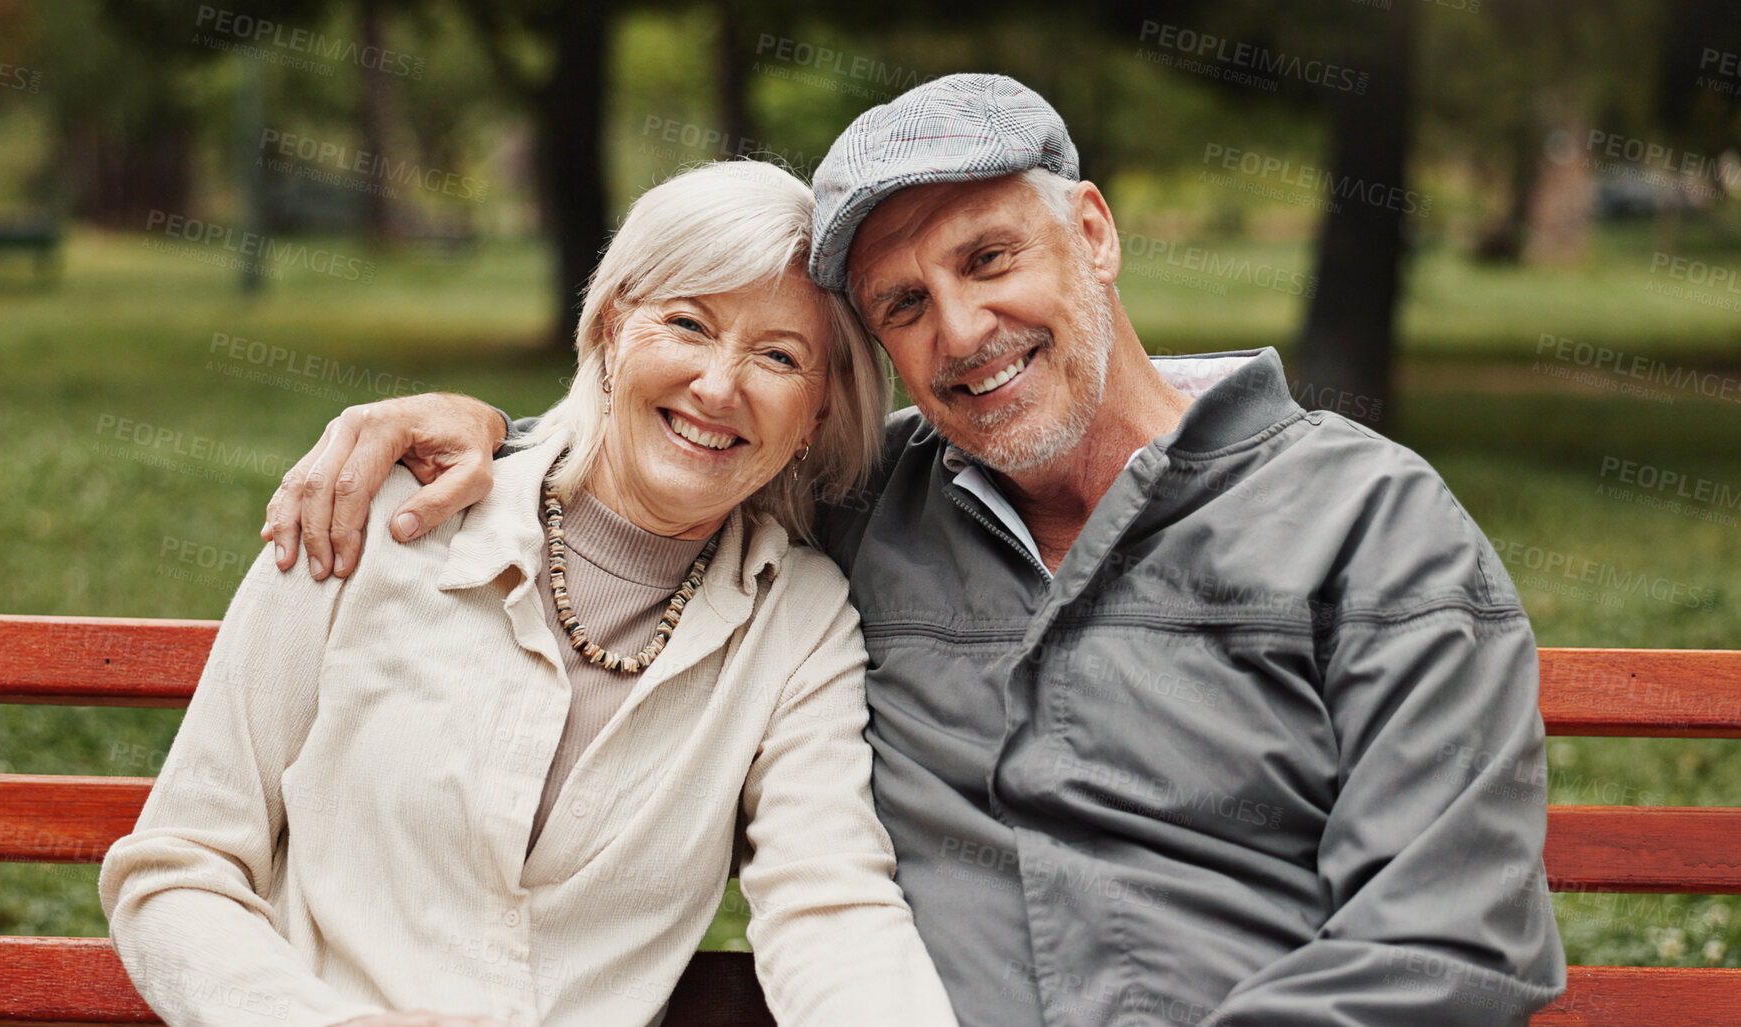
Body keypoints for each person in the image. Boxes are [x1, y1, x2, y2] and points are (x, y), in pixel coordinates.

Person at [263, 75, 1566, 1026]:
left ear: (1094, 233)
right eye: (901, 304)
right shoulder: (859, 503)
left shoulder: (1368, 526)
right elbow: (669, 450)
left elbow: (1445, 934)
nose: (959, 331)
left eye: (988, 256)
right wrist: (492, 430)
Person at [99, 160, 959, 1027]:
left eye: (778, 356)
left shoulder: (797, 621)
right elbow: (180, 864)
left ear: (815, 412)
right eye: (689, 323)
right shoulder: (375, 516)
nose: (718, 384)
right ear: (614, 328)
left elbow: (830, 907)